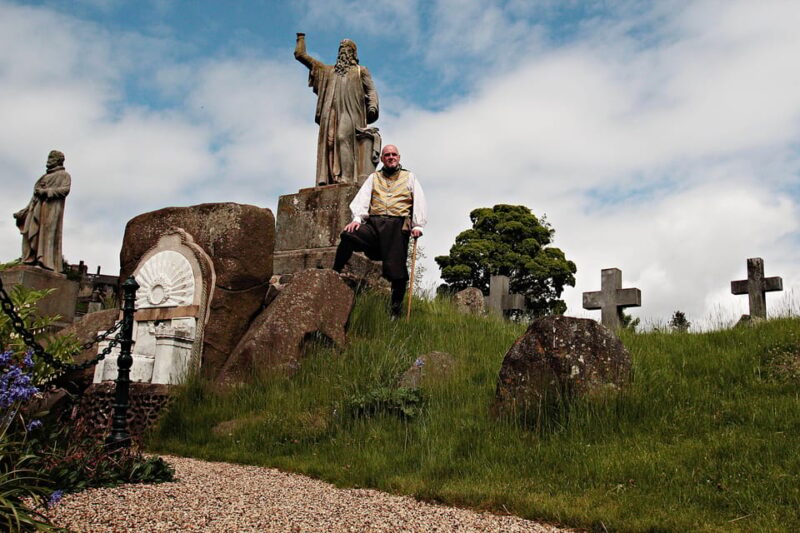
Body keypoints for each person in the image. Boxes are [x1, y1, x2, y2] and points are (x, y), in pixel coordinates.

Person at [333, 145, 427, 317]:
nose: (391, 157)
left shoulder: (409, 177)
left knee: (397, 271)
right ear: (382, 159)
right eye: (387, 155)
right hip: (374, 225)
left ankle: (395, 313)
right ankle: (333, 274)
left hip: (397, 227)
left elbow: (419, 201)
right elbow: (362, 198)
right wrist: (357, 219)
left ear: (399, 157)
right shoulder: (374, 177)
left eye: (394, 154)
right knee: (349, 235)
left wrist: (417, 225)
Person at [295, 33, 381, 186]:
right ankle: (331, 178)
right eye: (341, 48)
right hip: (332, 112)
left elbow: (371, 90)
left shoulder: (361, 71)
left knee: (342, 137)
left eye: (347, 48)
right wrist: (300, 38)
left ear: (353, 53)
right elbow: (301, 55)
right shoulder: (329, 71)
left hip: (351, 111)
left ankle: (346, 178)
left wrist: (372, 106)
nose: (343, 51)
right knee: (330, 142)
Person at [13, 150, 71, 272]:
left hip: (51, 209)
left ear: (58, 161)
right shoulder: (44, 177)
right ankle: (29, 258)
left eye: (51, 158)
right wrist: (24, 211)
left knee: (46, 235)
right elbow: (34, 196)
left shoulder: (63, 175)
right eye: (48, 158)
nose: (48, 161)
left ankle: (44, 261)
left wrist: (46, 192)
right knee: (28, 232)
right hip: (36, 208)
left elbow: (65, 190)